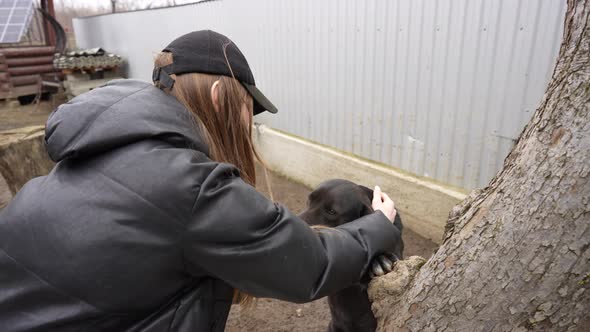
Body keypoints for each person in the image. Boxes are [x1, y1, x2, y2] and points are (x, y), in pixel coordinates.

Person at [0, 30, 401, 332]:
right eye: (248, 108)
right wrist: (379, 224)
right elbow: (308, 266)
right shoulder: (186, 185)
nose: (249, 125)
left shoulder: (97, 151)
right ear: (215, 95)